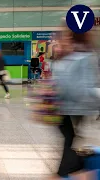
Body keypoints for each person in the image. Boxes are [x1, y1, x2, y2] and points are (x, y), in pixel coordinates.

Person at [51, 22, 100, 178]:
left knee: (70, 139)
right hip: (70, 107)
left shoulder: (75, 54)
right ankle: (70, 171)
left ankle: (68, 172)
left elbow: (76, 86)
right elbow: (80, 87)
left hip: (67, 106)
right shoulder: (80, 55)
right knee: (71, 139)